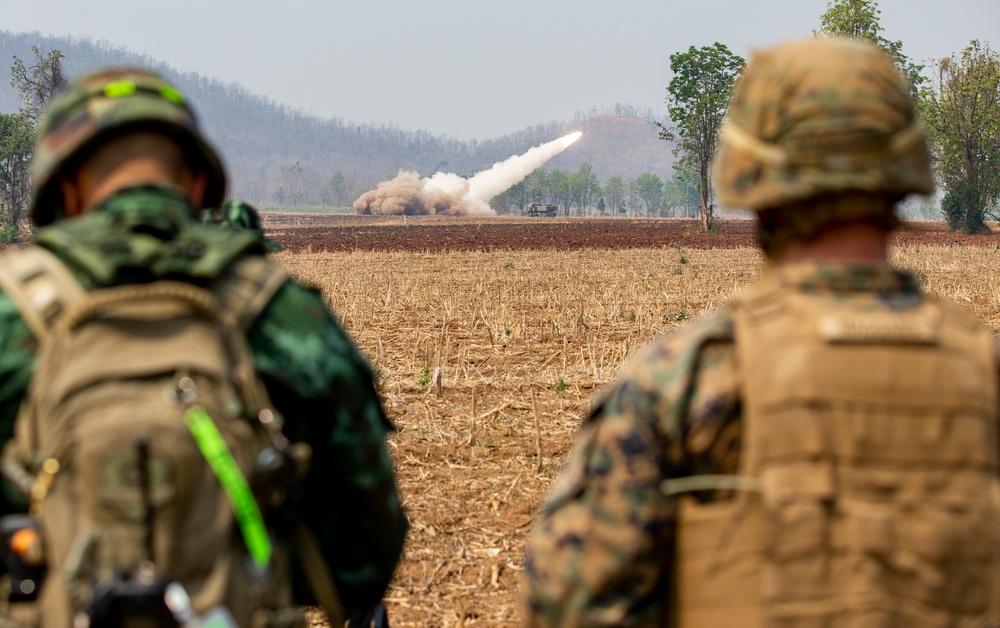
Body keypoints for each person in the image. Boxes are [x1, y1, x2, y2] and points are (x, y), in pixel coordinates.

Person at [523, 38, 1000, 627]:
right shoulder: (986, 373)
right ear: (902, 175)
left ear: (753, 177)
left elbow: (573, 604)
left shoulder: (685, 381)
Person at [0, 67, 406, 626]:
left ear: (65, 189)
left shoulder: (12, 317)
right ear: (195, 182)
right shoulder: (275, 311)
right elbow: (364, 559)